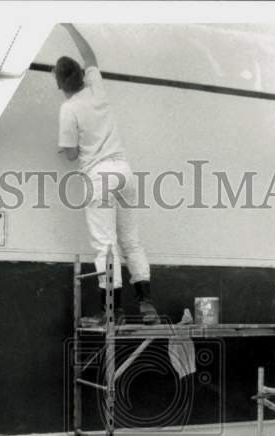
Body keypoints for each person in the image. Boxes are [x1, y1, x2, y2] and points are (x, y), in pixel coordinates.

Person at [55, 23, 158, 327]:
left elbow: (71, 154)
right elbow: (90, 54)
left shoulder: (69, 108)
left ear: (60, 84)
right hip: (124, 171)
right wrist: (68, 24)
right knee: (131, 239)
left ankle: (113, 310)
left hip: (98, 175)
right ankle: (147, 304)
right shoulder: (97, 88)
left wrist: (63, 150)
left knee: (105, 245)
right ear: (81, 75)